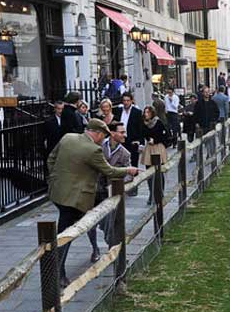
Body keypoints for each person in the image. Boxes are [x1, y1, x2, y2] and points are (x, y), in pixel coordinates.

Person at [47, 119, 138, 287]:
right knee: (66, 235)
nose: (103, 140)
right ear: (97, 133)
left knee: (65, 231)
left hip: (58, 194)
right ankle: (57, 273)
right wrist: (129, 170)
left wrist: (57, 179)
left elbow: (51, 159)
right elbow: (109, 171)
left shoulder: (68, 138)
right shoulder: (93, 149)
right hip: (75, 199)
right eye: (103, 136)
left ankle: (59, 270)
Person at [87, 121, 133, 262]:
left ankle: (112, 250)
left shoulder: (125, 153)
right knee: (90, 223)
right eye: (121, 132)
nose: (125, 135)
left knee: (111, 223)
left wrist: (117, 183)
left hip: (110, 193)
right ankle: (95, 248)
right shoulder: (97, 146)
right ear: (112, 133)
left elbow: (129, 175)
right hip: (94, 190)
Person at [140, 106, 169, 206]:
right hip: (149, 148)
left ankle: (160, 193)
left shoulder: (158, 122)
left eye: (148, 112)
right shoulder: (144, 123)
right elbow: (143, 134)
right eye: (145, 112)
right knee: (149, 172)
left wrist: (155, 140)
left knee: (159, 172)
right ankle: (151, 193)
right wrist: (147, 139)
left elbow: (165, 135)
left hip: (158, 147)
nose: (146, 114)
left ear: (152, 113)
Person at [115, 92, 143, 172]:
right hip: (120, 141)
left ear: (131, 101)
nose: (126, 102)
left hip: (132, 141)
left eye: (128, 100)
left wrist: (140, 142)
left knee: (133, 165)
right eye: (124, 100)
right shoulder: (118, 111)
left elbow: (140, 128)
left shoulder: (137, 112)